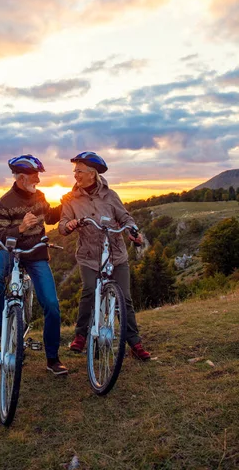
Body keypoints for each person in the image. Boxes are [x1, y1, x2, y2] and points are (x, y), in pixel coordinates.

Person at [58, 151, 151, 361]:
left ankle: (134, 343)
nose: (75, 175)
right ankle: (81, 335)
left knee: (124, 299)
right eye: (75, 171)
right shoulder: (70, 199)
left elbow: (126, 217)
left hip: (116, 255)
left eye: (79, 171)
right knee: (89, 290)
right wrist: (69, 224)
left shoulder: (110, 196)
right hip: (89, 257)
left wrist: (132, 231)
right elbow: (62, 225)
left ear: (92, 173)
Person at [0, 154, 68, 376]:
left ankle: (52, 358)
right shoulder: (3, 204)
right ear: (22, 178)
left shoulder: (39, 197)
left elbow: (50, 217)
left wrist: (65, 204)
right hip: (10, 251)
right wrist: (20, 229)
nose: (38, 181)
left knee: (51, 304)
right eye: (34, 176)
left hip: (35, 253)